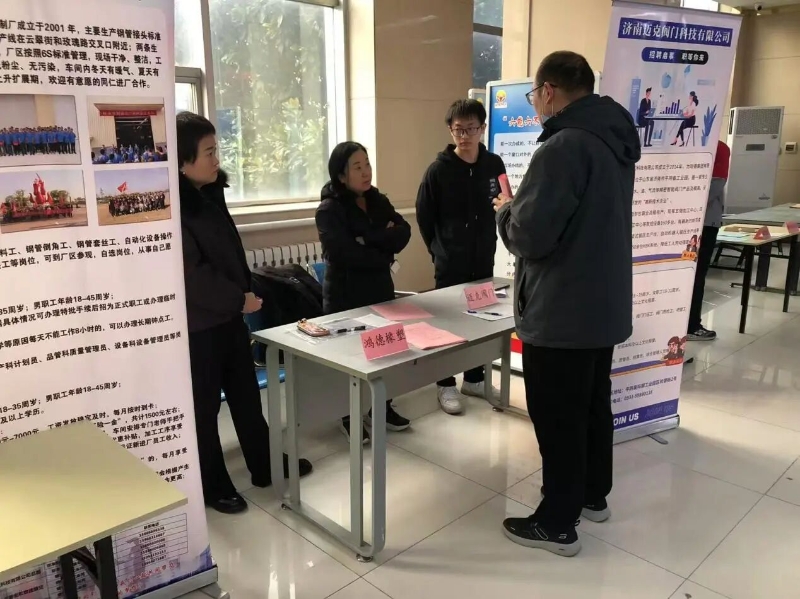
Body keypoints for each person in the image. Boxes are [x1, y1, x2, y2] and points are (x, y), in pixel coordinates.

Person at [493, 51, 640, 557]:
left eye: (535, 95)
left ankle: (557, 523)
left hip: (562, 310)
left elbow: (530, 236)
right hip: (601, 306)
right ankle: (592, 495)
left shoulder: (562, 147)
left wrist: (506, 210)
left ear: (549, 91)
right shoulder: (614, 138)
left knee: (558, 417)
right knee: (593, 405)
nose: (535, 104)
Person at [177, 111, 312, 514]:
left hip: (229, 318)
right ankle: (213, 485)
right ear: (183, 161)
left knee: (246, 397)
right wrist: (239, 299)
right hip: (200, 325)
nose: (216, 159)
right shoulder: (177, 208)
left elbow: (229, 254)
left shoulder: (209, 194)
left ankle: (265, 465)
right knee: (205, 410)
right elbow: (192, 275)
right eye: (208, 152)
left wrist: (244, 294)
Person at [315, 142, 412, 443]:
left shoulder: (377, 199)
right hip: (345, 295)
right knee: (350, 358)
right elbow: (344, 254)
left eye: (367, 164)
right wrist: (383, 245)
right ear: (341, 175)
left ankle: (382, 406)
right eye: (357, 167)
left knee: (384, 352)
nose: (366, 171)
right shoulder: (329, 209)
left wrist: (367, 239)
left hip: (379, 290)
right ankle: (348, 415)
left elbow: (404, 231)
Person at [416, 99, 505, 416]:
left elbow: (503, 201)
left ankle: (475, 379)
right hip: (450, 262)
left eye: (471, 129)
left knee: (479, 320)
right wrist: (439, 249)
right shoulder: (438, 170)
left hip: (482, 258)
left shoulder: (493, 164)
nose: (465, 136)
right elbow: (425, 217)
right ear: (450, 130)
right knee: (448, 324)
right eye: (459, 130)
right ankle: (445, 384)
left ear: (482, 129)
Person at [688, 139, 730, 341]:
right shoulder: (715, 147)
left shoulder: (716, 147)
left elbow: (714, 187)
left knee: (693, 275)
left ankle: (690, 324)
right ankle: (688, 325)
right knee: (691, 275)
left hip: (696, 223)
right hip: (692, 223)